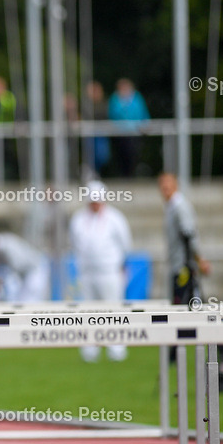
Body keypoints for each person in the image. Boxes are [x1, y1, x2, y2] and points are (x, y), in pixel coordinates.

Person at [69, 181, 132, 362]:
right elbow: (74, 243)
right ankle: (90, 349)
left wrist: (117, 263)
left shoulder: (115, 218)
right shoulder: (79, 219)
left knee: (114, 310)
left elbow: (125, 244)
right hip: (87, 272)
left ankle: (116, 349)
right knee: (88, 311)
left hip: (109, 271)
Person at [158, 172, 210, 304]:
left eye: (168, 183)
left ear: (175, 184)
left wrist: (199, 260)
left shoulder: (180, 207)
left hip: (184, 267)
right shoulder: (170, 207)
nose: (165, 187)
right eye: (162, 184)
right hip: (177, 264)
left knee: (182, 303)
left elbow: (189, 235)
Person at [108, 78, 150, 177]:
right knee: (121, 154)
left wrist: (146, 124)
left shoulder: (137, 98)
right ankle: (123, 175)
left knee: (133, 153)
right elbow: (113, 114)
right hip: (120, 132)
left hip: (135, 131)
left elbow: (143, 112)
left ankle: (131, 174)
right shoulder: (115, 99)